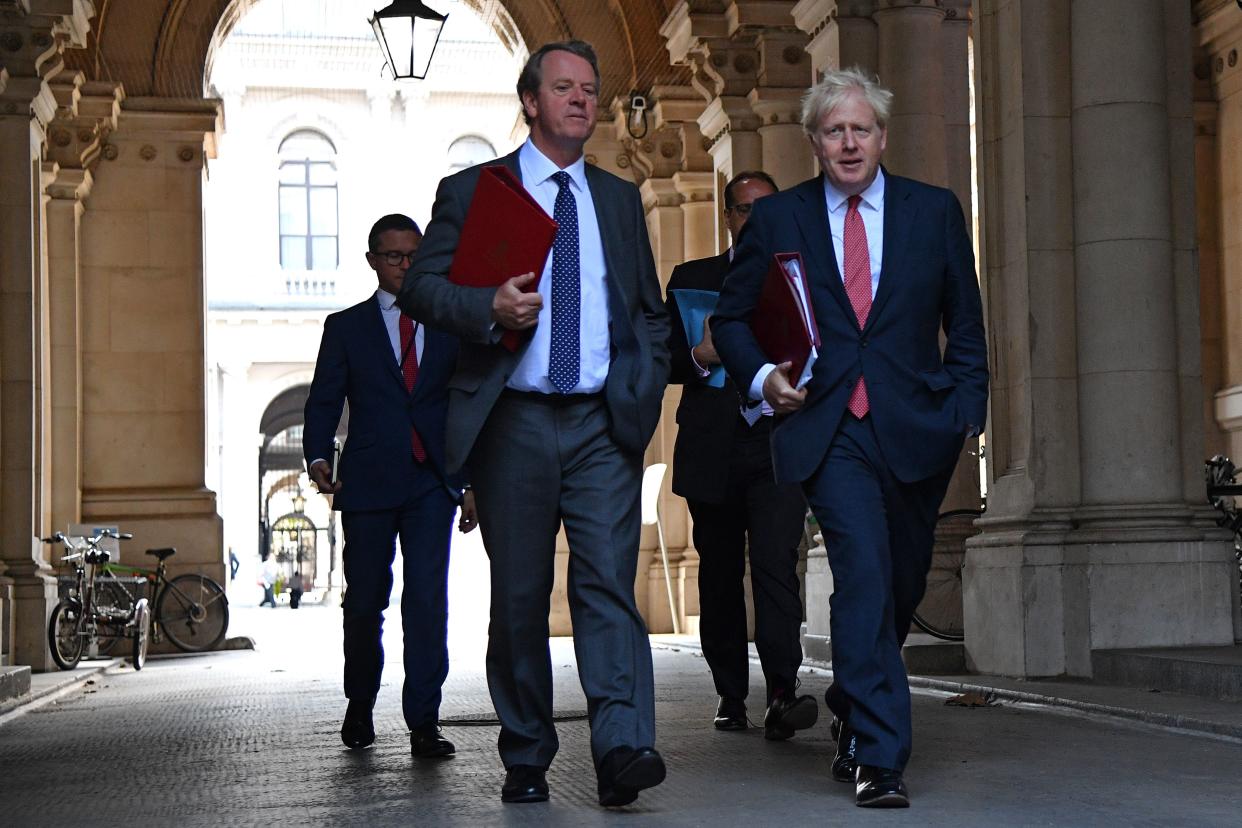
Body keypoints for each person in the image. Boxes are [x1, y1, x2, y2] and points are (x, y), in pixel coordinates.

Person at [399, 40, 670, 808]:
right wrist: (486, 307)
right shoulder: (476, 189)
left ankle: (622, 747)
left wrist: (640, 392)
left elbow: (648, 312)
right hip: (510, 422)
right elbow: (421, 288)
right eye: (563, 87)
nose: (580, 99)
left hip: (599, 423)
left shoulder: (617, 199)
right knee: (520, 596)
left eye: (589, 88)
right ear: (530, 101)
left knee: (607, 585)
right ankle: (526, 752)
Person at [711, 68, 988, 809]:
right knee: (862, 572)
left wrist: (967, 405)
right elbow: (730, 321)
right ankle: (879, 754)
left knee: (898, 583)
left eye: (860, 129)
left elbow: (964, 317)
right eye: (834, 131)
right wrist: (764, 376)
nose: (849, 142)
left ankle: (852, 704)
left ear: (883, 137)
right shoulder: (781, 221)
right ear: (814, 142)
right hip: (827, 424)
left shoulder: (932, 212)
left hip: (917, 424)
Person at [303, 213, 479, 760]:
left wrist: (470, 479)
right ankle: (360, 705)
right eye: (394, 256)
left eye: (413, 256)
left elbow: (467, 402)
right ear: (373, 260)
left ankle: (425, 721)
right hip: (370, 483)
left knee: (427, 602)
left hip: (433, 481)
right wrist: (315, 456)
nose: (404, 266)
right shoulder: (346, 327)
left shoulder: (450, 325)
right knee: (364, 604)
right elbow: (325, 399)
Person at [665, 170, 816, 739]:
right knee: (721, 574)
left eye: (767, 208)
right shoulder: (693, 279)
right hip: (714, 446)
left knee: (778, 565)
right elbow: (667, 360)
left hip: (778, 440)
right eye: (744, 208)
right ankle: (731, 693)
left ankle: (783, 689)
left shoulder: (805, 279)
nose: (755, 218)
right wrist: (702, 356)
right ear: (728, 216)